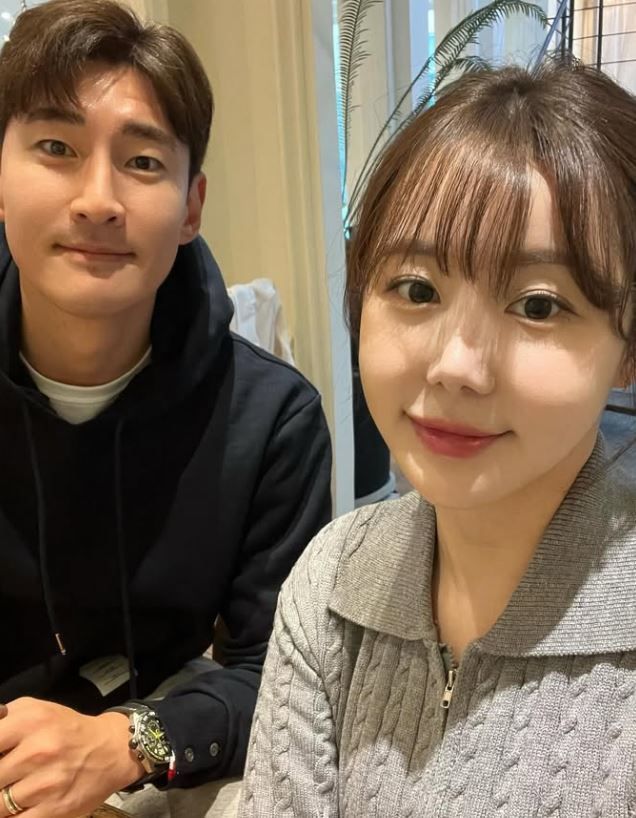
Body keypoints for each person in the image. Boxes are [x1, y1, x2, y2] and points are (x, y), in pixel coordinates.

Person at [238, 58, 636, 817]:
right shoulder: (331, 582)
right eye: (416, 288)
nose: (457, 366)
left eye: (539, 305)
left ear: (627, 347)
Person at [0, 0, 332, 815]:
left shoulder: (272, 420)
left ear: (190, 207)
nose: (97, 200)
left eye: (143, 162)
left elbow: (285, 676)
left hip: (151, 737)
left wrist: (131, 741)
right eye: (56, 148)